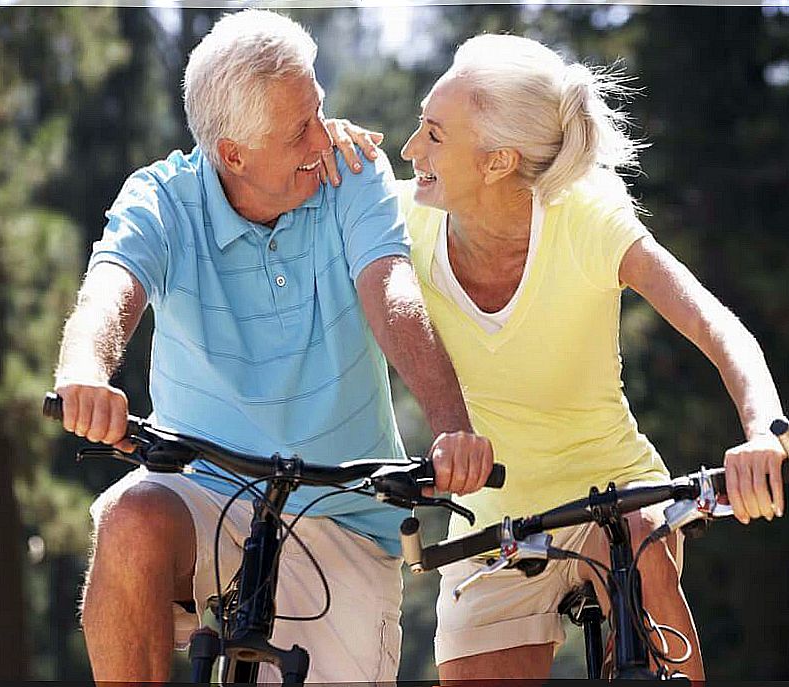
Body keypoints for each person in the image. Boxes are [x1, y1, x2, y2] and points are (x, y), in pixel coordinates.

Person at [52, 10, 494, 683]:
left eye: (318, 111)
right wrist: (85, 369)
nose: (324, 138)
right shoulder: (163, 200)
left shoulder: (352, 172)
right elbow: (110, 290)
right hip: (205, 496)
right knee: (133, 516)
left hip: (343, 515)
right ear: (232, 153)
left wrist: (451, 424)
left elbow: (392, 291)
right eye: (298, 132)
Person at [334, 33, 789, 682]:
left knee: (636, 542)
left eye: (433, 135)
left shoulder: (587, 214)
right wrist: (312, 150)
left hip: (617, 493)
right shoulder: (399, 223)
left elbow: (716, 324)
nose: (410, 151)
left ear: (498, 161)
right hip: (492, 520)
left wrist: (762, 432)